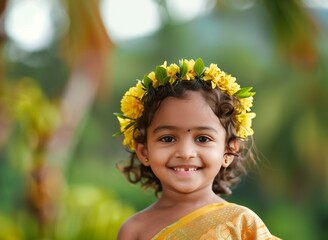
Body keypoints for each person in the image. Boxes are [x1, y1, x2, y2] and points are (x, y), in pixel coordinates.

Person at [114, 58, 279, 239]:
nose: (185, 153)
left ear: (228, 151)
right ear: (144, 152)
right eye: (167, 138)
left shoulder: (241, 224)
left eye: (202, 138)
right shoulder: (133, 231)